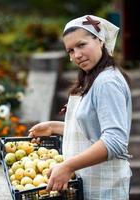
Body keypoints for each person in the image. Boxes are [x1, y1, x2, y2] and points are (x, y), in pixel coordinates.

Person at [28, 15, 132, 200]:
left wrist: (68, 166)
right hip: (90, 183)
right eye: (70, 50)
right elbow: (93, 132)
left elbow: (114, 141)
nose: (76, 55)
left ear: (100, 41)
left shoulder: (107, 82)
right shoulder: (94, 78)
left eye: (82, 45)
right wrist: (54, 127)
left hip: (104, 188)